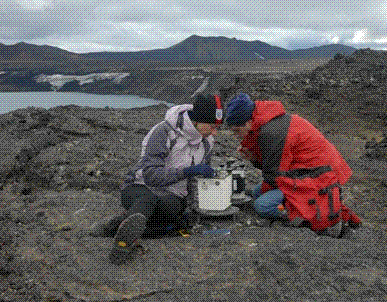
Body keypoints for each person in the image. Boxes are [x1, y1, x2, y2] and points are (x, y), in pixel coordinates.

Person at [89, 94, 222, 265]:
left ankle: (117, 226)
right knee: (148, 200)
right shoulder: (165, 132)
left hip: (172, 195)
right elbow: (151, 176)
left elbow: (194, 182)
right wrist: (188, 171)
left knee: (174, 221)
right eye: (212, 126)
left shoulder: (207, 142)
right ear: (197, 121)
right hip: (140, 187)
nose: (214, 132)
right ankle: (122, 243)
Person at [224, 93, 361, 238]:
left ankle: (307, 217)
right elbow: (274, 167)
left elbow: (274, 176)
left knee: (262, 205)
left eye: (237, 131)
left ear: (248, 122)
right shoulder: (267, 123)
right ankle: (300, 206)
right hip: (303, 173)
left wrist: (263, 180)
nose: (236, 136)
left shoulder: (271, 132)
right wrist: (253, 158)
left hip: (318, 177)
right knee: (258, 192)